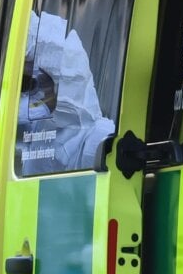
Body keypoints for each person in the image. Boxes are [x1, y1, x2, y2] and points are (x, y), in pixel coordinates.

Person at [16, 11, 116, 175]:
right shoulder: (37, 135)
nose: (24, 95)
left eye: (29, 83)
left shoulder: (100, 140)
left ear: (62, 80)